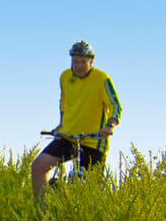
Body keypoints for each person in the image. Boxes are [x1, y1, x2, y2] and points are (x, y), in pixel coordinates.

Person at [31, 40, 122, 200]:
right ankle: (42, 213)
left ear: (91, 61)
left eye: (83, 62)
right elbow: (64, 103)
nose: (79, 66)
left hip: (93, 140)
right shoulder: (65, 76)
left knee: (91, 187)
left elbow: (115, 105)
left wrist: (110, 125)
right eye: (75, 62)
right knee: (38, 166)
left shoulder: (101, 78)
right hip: (68, 136)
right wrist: (61, 123)